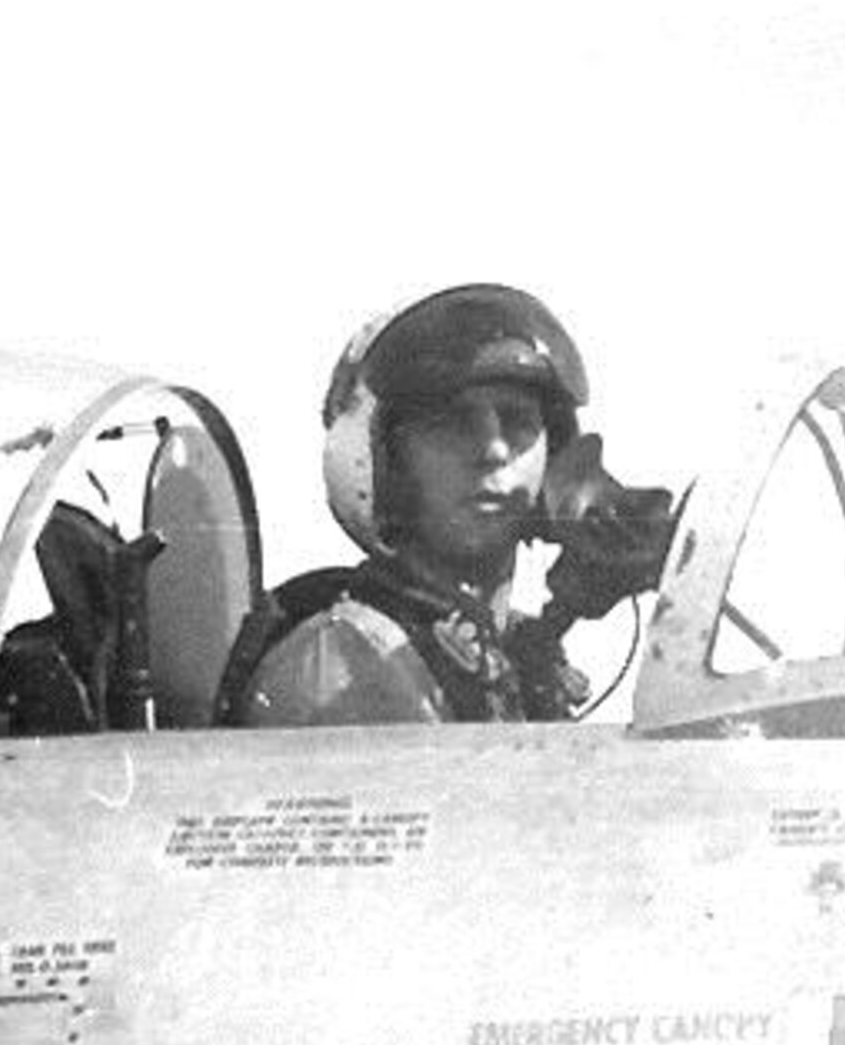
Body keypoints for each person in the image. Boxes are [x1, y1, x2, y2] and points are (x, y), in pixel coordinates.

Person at [222, 283, 669, 727]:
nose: (494, 449)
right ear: (386, 461)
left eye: (517, 421)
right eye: (453, 423)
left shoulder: (502, 653)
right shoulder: (346, 662)